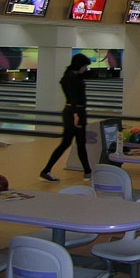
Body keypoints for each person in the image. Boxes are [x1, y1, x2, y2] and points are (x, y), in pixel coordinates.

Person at [40, 53, 92, 182]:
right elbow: (73, 97)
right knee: (76, 144)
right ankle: (88, 172)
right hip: (74, 113)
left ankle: (46, 171)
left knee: (70, 143)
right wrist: (75, 115)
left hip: (76, 112)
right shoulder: (71, 78)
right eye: (84, 66)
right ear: (79, 65)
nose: (85, 68)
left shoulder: (72, 75)